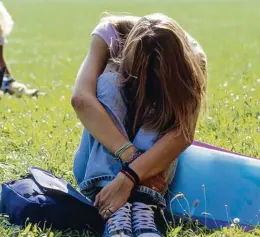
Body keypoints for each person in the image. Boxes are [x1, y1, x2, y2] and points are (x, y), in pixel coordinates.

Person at [71, 13, 207, 237]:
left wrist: (130, 177)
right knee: (107, 81)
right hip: (99, 170)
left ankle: (143, 203)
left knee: (166, 98)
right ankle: (113, 205)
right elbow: (81, 99)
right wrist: (130, 157)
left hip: (152, 179)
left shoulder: (193, 60)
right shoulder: (109, 36)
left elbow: (182, 134)